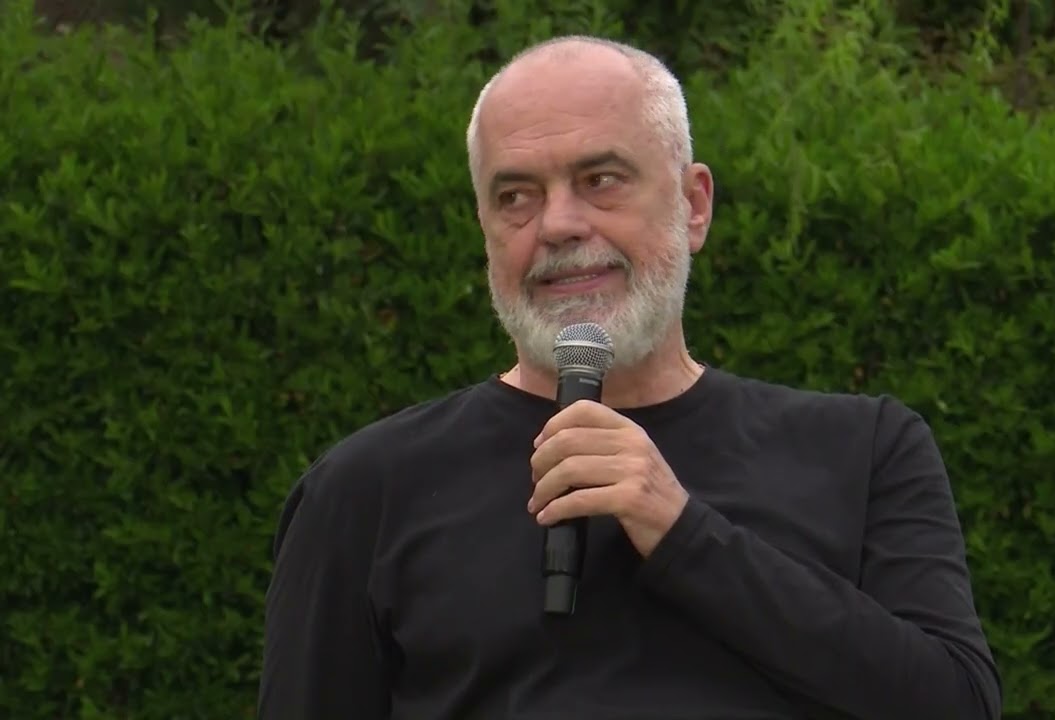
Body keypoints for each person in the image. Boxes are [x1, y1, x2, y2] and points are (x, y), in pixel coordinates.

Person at [256, 34, 1002, 720]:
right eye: (515, 197)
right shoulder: (367, 490)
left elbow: (957, 705)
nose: (557, 225)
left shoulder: (864, 450)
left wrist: (682, 532)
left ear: (694, 205)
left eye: (601, 180)